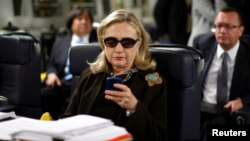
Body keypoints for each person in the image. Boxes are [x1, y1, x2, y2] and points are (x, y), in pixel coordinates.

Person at [63, 9, 167, 141]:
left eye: (127, 43)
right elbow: (69, 119)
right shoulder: (89, 75)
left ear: (138, 44)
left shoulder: (153, 82)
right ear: (103, 43)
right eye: (111, 42)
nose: (119, 50)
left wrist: (134, 107)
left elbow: (159, 137)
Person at [194, 7, 250, 140]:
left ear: (240, 30)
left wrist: (242, 101)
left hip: (231, 114)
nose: (222, 31)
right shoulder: (202, 44)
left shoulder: (248, 53)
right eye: (218, 26)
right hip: (201, 112)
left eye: (229, 26)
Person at [41, 8, 98, 120]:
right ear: (71, 22)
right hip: (62, 82)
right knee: (44, 94)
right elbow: (51, 64)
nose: (84, 22)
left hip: (87, 83)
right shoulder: (61, 41)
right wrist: (52, 74)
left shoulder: (99, 41)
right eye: (79, 18)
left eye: (87, 19)